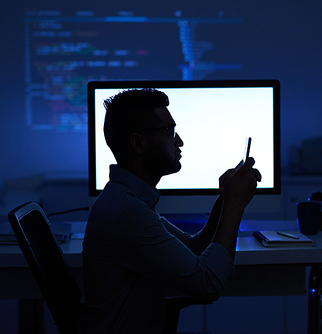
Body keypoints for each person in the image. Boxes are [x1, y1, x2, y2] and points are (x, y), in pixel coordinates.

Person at [78, 88, 261, 333]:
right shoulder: (128, 213)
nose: (179, 141)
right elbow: (208, 283)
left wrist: (226, 199)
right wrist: (235, 207)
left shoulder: (129, 200)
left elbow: (193, 248)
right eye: (169, 132)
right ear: (138, 143)